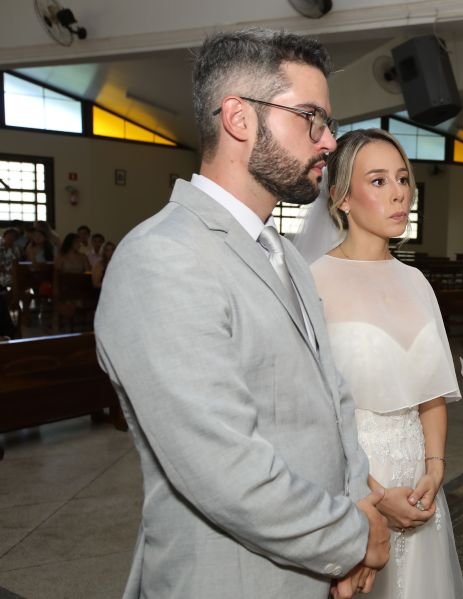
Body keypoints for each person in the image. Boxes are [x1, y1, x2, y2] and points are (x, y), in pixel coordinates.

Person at [94, 29, 389, 599]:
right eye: (311, 118)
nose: (328, 141)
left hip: (314, 569)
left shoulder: (285, 256)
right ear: (239, 119)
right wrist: (354, 537)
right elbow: (222, 468)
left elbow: (334, 399)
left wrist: (359, 504)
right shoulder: (163, 257)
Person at [304, 129, 463, 599]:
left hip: (418, 486)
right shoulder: (315, 282)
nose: (399, 192)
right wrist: (373, 494)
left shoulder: (416, 282)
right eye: (378, 181)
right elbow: (316, 414)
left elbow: (431, 394)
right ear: (342, 198)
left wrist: (434, 470)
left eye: (402, 179)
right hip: (353, 483)